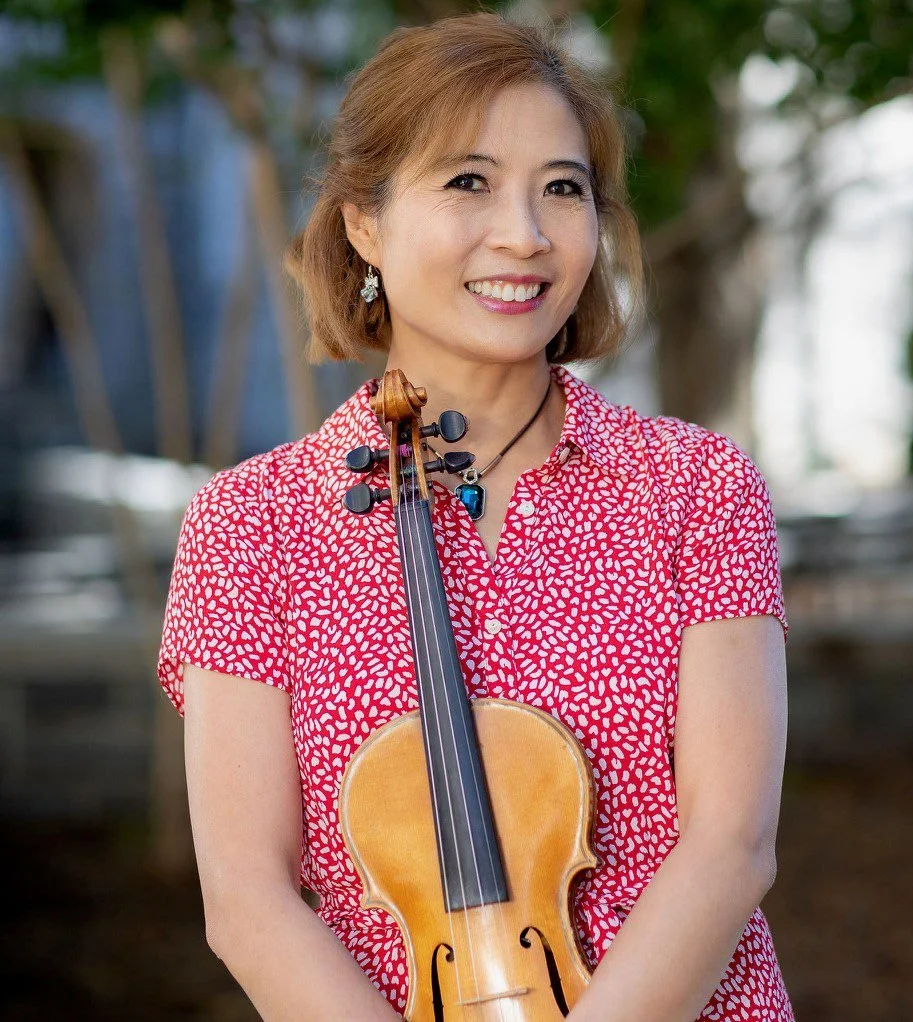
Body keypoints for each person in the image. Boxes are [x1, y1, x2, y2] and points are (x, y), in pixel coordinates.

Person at [158, 12, 793, 1022]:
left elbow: (730, 845)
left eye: (563, 188)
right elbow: (249, 896)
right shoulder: (248, 526)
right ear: (364, 222)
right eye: (469, 181)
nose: (526, 234)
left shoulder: (697, 486)